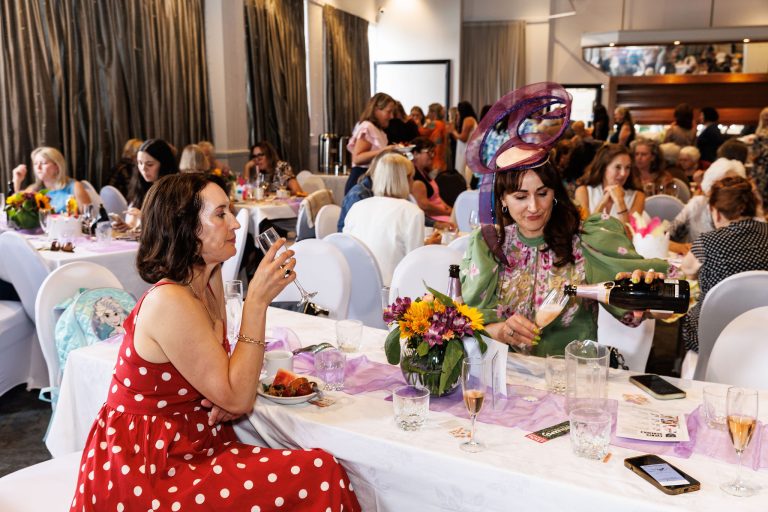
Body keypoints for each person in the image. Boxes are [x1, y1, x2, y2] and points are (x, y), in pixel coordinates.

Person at [70, 173, 361, 511]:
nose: (235, 223)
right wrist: (256, 304)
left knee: (313, 468)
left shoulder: (208, 280)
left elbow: (227, 381)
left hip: (190, 443)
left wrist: (224, 392)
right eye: (221, 214)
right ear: (185, 228)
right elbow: (238, 398)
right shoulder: (169, 301)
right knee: (320, 471)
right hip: (149, 468)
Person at [460, 83, 664, 357]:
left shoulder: (585, 243)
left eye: (542, 193)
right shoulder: (490, 246)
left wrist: (651, 297)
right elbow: (465, 321)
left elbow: (637, 314)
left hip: (570, 373)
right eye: (520, 197)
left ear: (555, 193)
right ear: (503, 200)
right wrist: (498, 330)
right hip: (507, 375)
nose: (534, 207)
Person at [680, 176, 768, 355]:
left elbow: (687, 270)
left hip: (713, 336)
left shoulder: (707, 242)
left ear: (716, 212)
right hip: (762, 331)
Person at [343, 153, 437, 286]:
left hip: (354, 286)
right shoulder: (412, 212)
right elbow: (414, 263)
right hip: (392, 290)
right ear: (405, 180)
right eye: (412, 177)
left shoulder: (357, 207)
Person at [669, 158, 748, 249]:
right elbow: (669, 235)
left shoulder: (746, 211)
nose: (729, 191)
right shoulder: (697, 204)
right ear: (711, 186)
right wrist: (684, 248)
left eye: (736, 186)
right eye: (724, 185)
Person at [575, 143, 645, 222]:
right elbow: (586, 228)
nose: (623, 174)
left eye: (627, 168)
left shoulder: (638, 196)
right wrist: (602, 203)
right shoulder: (583, 192)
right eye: (618, 167)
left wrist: (620, 202)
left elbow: (629, 229)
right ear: (604, 168)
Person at [11, 147, 90, 214]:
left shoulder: (75, 187)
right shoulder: (34, 189)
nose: (38, 167)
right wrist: (17, 182)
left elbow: (88, 218)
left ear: (57, 166)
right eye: (35, 164)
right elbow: (15, 209)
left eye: (43, 163)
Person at [344, 92, 395, 195]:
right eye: (389, 112)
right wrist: (384, 151)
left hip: (370, 179)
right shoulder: (367, 127)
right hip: (361, 180)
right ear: (376, 110)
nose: (391, 116)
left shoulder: (378, 130)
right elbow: (357, 158)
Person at [122, 138, 178, 229]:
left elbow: (174, 226)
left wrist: (144, 217)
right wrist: (129, 226)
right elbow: (133, 214)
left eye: (150, 164)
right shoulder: (141, 185)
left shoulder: (176, 189)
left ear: (164, 165)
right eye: (140, 163)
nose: (143, 169)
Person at [410, 137, 453, 223]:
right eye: (429, 152)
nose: (432, 156)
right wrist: (447, 212)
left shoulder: (424, 172)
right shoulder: (415, 177)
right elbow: (424, 206)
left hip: (441, 213)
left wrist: (450, 209)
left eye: (433, 152)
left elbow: (437, 197)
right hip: (433, 218)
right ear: (415, 154)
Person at [449, 101, 478, 184]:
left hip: (467, 151)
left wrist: (453, 131)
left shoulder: (468, 119)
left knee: (464, 173)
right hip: (465, 149)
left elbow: (463, 138)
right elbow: (459, 139)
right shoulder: (469, 119)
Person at [420, 103, 449, 173]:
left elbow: (421, 132)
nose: (427, 114)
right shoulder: (442, 124)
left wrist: (418, 123)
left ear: (433, 113)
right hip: (441, 161)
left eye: (428, 111)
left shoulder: (434, 124)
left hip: (434, 161)